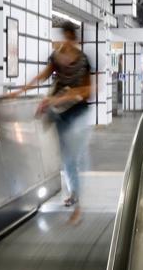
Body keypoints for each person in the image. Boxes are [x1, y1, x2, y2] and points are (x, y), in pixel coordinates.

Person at [12, 22, 94, 223]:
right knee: (67, 158)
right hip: (60, 113)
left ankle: (79, 201)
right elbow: (43, 75)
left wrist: (69, 96)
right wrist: (21, 90)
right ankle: (74, 193)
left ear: (75, 39)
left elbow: (87, 90)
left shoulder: (83, 60)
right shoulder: (56, 56)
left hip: (78, 111)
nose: (66, 43)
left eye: (69, 38)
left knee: (74, 154)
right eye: (64, 38)